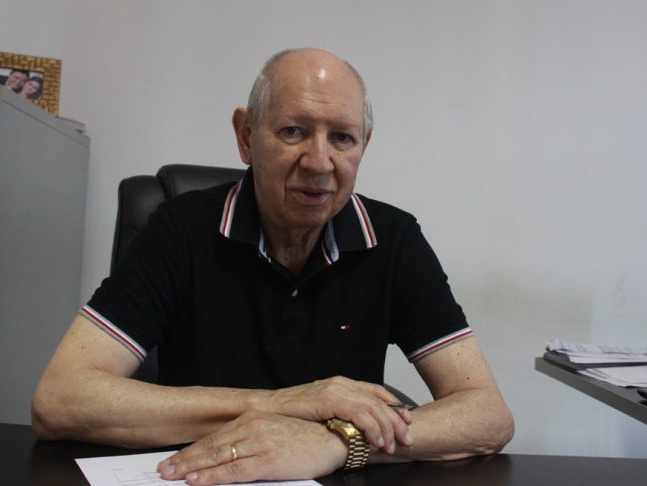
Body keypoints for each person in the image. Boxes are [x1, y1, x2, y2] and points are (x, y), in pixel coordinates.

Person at [31, 48, 514, 485]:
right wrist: (281, 405)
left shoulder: (394, 239)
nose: (320, 162)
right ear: (246, 136)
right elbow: (60, 399)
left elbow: (487, 414)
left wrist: (335, 442)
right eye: (293, 131)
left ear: (364, 144)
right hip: (200, 476)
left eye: (342, 137)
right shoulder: (180, 227)